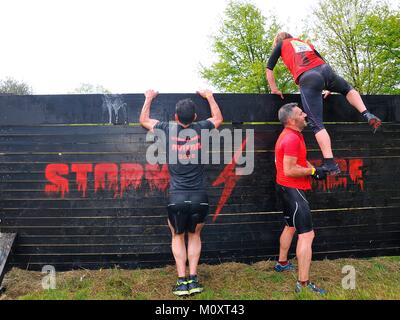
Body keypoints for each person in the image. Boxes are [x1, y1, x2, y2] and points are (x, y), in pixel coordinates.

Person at [139, 89, 223, 296]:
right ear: (195, 117)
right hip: (199, 197)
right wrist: (209, 96)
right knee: (194, 235)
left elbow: (143, 120)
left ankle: (181, 282)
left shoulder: (167, 128)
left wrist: (148, 98)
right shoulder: (202, 127)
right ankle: (193, 280)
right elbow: (218, 118)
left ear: (176, 117)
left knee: (177, 236)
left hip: (177, 196)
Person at [266, 32, 382, 175]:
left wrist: (274, 89)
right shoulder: (304, 43)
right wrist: (328, 86)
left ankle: (330, 164)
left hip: (309, 76)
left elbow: (269, 68)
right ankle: (366, 113)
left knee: (316, 124)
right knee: (347, 89)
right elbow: (321, 61)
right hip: (326, 70)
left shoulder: (282, 44)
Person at [274, 102, 327, 295]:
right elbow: (290, 169)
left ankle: (282, 263)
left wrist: (313, 170)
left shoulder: (294, 135)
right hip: (292, 190)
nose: (305, 114)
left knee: (290, 226)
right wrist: (313, 170)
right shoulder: (291, 138)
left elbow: (297, 161)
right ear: (291, 120)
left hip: (285, 187)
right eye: (300, 113)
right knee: (307, 235)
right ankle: (303, 284)